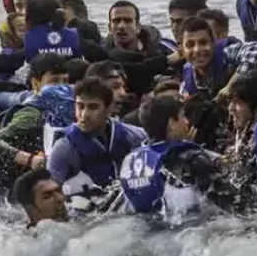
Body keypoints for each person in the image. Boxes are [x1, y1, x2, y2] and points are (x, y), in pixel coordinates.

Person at [118, 94, 245, 219]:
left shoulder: (131, 160)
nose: (187, 122)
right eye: (182, 116)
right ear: (172, 123)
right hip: (190, 226)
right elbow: (233, 202)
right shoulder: (189, 158)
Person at [47, 76, 147, 215]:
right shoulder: (64, 148)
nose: (84, 115)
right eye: (80, 106)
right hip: (85, 219)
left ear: (109, 109)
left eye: (93, 107)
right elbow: (49, 197)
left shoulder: (135, 137)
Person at [177, 17, 257, 101]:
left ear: (213, 43)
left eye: (203, 43)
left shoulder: (227, 52)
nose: (197, 50)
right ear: (182, 50)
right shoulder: (187, 80)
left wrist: (233, 83)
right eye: (190, 45)